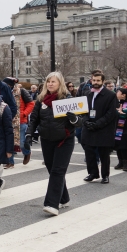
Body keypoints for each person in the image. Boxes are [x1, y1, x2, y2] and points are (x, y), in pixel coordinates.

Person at [25, 71, 84, 216]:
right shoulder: (41, 99)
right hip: (47, 139)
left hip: (64, 139)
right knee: (52, 169)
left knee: (58, 171)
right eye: (48, 81)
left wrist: (74, 119)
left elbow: (80, 121)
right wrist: (28, 134)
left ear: (60, 83)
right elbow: (34, 119)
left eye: (53, 81)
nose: (50, 84)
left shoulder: (67, 99)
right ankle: (64, 198)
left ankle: (51, 204)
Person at [80, 71, 119, 184]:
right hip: (89, 127)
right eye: (94, 80)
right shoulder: (87, 93)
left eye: (98, 80)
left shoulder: (110, 95)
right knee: (89, 152)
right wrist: (86, 121)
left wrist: (97, 124)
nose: (96, 82)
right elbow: (83, 110)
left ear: (103, 81)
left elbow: (111, 114)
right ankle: (92, 173)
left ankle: (105, 175)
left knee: (104, 154)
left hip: (103, 128)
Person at [113, 88, 127, 171]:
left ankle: (125, 163)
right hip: (117, 127)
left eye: (118, 92)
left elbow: (126, 114)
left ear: (123, 95)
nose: (116, 93)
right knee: (118, 144)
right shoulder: (117, 102)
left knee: (124, 145)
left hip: (125, 127)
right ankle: (120, 162)